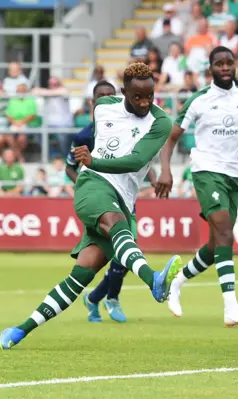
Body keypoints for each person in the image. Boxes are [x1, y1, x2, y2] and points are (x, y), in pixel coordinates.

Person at [0, 63, 182, 350]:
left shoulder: (160, 122)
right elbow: (98, 146)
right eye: (138, 97)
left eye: (150, 96)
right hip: (93, 185)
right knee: (118, 226)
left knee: (81, 275)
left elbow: (135, 161)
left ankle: (20, 330)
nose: (145, 103)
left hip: (123, 196)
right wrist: (91, 164)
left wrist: (95, 159)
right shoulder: (104, 106)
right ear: (124, 92)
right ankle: (153, 280)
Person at [156, 46, 238, 327]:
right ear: (211, 69)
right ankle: (231, 307)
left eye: (229, 63)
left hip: (232, 177)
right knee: (225, 231)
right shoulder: (199, 100)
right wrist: (166, 171)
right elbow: (170, 139)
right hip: (205, 171)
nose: (226, 67)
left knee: (216, 242)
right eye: (220, 64)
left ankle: (177, 284)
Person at [65, 80, 150, 324]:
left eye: (112, 95)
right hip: (102, 200)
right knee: (119, 253)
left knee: (126, 255)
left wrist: (154, 178)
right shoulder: (84, 135)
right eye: (102, 96)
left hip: (127, 199)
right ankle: (109, 297)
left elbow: (140, 158)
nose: (108, 99)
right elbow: (71, 168)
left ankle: (97, 297)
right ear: (93, 103)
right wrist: (87, 188)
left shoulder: (128, 126)